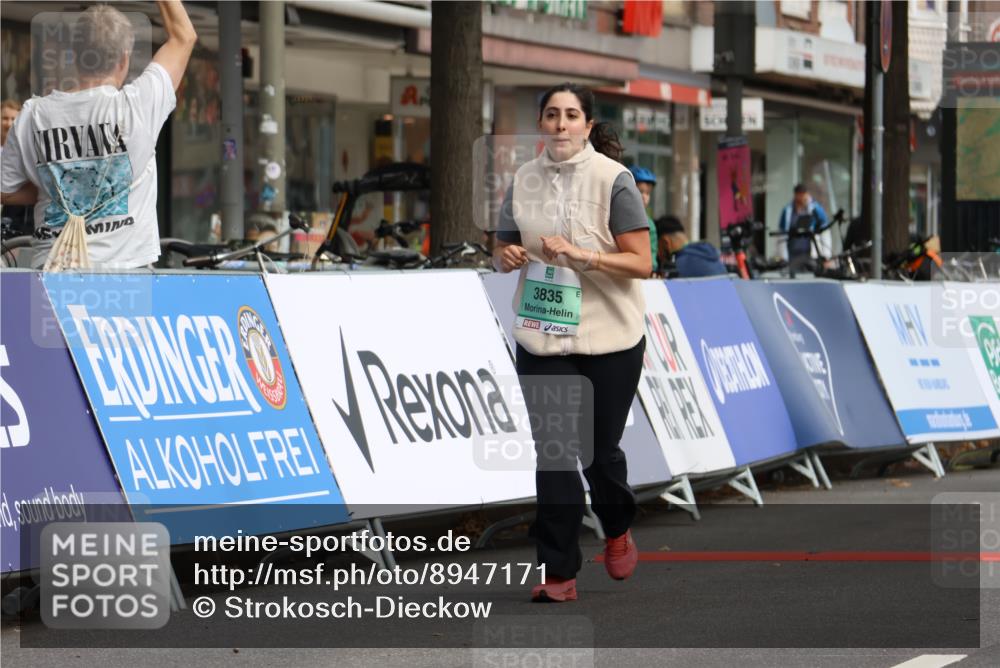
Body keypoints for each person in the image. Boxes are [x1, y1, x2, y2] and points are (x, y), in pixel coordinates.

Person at [494, 83, 651, 603]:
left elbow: (642, 263)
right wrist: (507, 257)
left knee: (598, 453)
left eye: (571, 115)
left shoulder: (614, 180)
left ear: (587, 125)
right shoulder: (522, 180)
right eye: (552, 115)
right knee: (556, 452)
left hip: (610, 335)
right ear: (541, 123)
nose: (561, 124)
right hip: (543, 335)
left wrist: (585, 256)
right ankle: (558, 573)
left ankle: (617, 526)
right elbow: (501, 246)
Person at [1, 1, 196, 269]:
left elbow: (5, 190)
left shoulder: (32, 116)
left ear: (75, 54)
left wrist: (61, 187)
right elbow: (184, 36)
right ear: (124, 58)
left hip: (50, 271)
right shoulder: (137, 106)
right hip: (123, 272)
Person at [776, 183, 830, 270]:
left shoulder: (815, 209)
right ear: (795, 195)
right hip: (793, 255)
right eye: (799, 195)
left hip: (811, 254)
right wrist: (782, 256)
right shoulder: (788, 210)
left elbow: (825, 231)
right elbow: (781, 233)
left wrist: (826, 255)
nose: (801, 197)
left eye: (803, 194)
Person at [1, 99, 34, 237]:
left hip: (20, 216)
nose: (9, 123)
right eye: (4, 118)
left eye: (13, 119)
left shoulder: (26, 150)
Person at [656, 215, 727, 278]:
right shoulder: (714, 258)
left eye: (658, 247)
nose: (658, 254)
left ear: (665, 242)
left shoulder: (677, 267)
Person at [628, 165, 658, 275]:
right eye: (640, 191)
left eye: (648, 193)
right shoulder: (619, 216)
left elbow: (652, 254)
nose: (644, 197)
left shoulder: (649, 224)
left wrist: (652, 268)